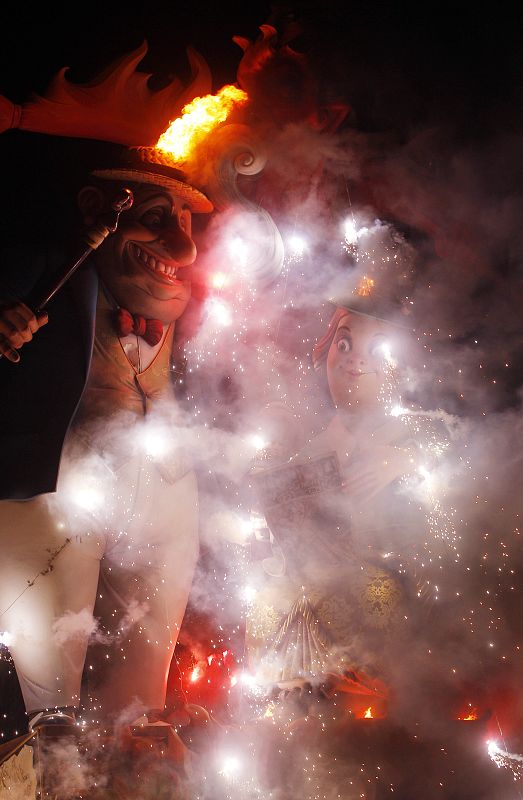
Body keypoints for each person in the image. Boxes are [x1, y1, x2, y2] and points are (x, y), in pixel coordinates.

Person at [0, 45, 223, 735]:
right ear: (99, 208)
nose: (179, 245)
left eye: (185, 222)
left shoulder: (194, 302)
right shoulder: (39, 269)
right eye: (157, 217)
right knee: (54, 712)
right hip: (55, 489)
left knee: (143, 710)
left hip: (162, 487)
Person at [246, 290, 448, 719]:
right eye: (344, 343)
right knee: (269, 601)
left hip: (381, 581)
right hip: (306, 583)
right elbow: (283, 526)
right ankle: (289, 709)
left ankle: (367, 705)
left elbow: (451, 449)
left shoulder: (412, 434)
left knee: (373, 593)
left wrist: (401, 460)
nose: (355, 361)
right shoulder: (311, 444)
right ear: (326, 352)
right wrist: (269, 549)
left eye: (375, 349)